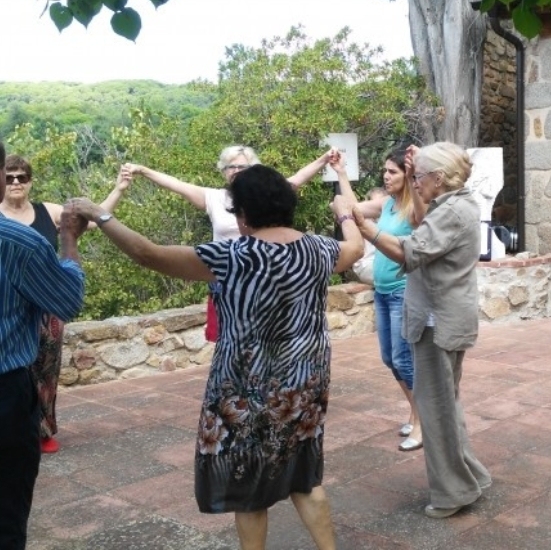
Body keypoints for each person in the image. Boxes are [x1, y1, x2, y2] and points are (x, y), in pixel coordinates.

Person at [66, 165, 363, 550]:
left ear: (241, 214)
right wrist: (343, 212)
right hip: (305, 384)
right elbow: (354, 247)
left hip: (245, 390)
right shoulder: (321, 249)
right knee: (304, 476)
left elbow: (147, 254)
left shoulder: (231, 256)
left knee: (248, 487)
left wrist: (98, 213)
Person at [351, 142, 491, 519]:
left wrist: (367, 230)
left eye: (419, 176)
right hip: (444, 319)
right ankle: (469, 478)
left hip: (438, 323)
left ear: (439, 179)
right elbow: (421, 225)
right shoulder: (456, 205)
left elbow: (409, 251)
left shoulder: (452, 212)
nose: (415, 181)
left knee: (435, 410)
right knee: (447, 404)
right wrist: (418, 168)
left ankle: (451, 493)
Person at [124, 146, 336, 341]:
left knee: (266, 332)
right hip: (226, 276)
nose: (235, 170)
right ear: (223, 171)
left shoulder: (268, 194)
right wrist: (143, 170)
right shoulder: (214, 198)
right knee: (226, 336)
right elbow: (177, 185)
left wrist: (324, 159)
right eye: (230, 166)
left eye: (242, 166)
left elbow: (298, 178)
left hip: (263, 272)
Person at [0, 154, 131, 454]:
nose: (16, 182)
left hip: (48, 308)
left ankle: (44, 430)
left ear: (30, 181)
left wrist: (119, 189)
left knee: (46, 371)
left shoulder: (47, 211)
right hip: (13, 309)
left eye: (22, 177)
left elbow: (91, 221)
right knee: (18, 372)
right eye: (9, 177)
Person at [0, 141, 86, 550]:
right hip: (5, 394)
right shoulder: (19, 243)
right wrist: (69, 240)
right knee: (6, 515)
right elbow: (67, 300)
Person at [331, 149, 427, 452]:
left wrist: (415, 173)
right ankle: (415, 413)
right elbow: (352, 209)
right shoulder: (386, 204)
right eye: (385, 171)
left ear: (408, 175)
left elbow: (424, 223)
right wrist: (342, 173)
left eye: (393, 172)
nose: (386, 176)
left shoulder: (413, 208)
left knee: (403, 359)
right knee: (390, 359)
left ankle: (424, 422)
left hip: (403, 290)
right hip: (382, 291)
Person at [350, 187, 387, 286]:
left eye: (379, 203)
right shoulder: (364, 221)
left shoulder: (388, 221)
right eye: (373, 203)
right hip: (367, 265)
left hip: (382, 264)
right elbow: (352, 207)